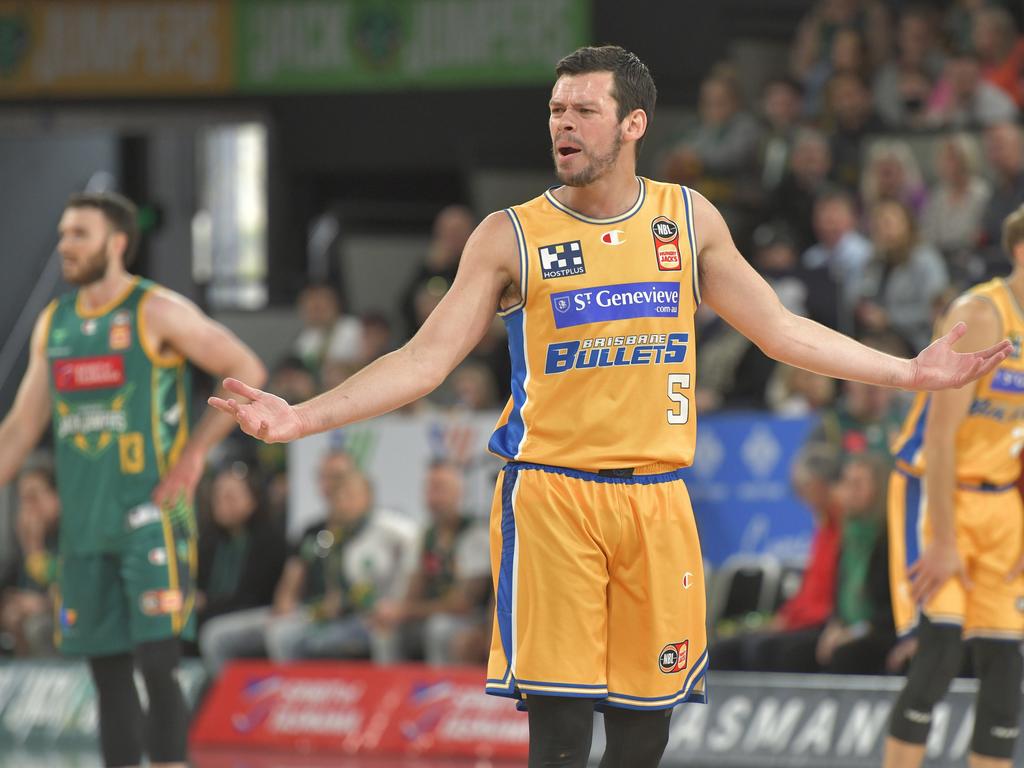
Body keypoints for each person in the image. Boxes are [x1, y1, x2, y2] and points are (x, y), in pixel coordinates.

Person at [210, 46, 1010, 768]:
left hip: (657, 502)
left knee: (644, 731)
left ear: (632, 124)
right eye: (556, 111)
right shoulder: (509, 235)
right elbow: (424, 359)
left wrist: (907, 371)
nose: (564, 123)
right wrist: (301, 417)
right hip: (554, 494)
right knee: (560, 738)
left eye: (583, 110)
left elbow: (780, 330)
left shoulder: (688, 219)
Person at [0, 191, 266, 768]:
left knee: (156, 663)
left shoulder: (156, 310)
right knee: (108, 673)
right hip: (84, 524)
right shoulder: (56, 323)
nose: (65, 245)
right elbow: (20, 429)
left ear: (117, 243)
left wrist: (196, 453)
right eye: (64, 233)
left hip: (152, 516)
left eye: (80, 235)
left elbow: (246, 369)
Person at [884, 204, 1024, 768]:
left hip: (1001, 502)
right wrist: (941, 540)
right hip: (934, 492)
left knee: (1006, 674)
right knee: (937, 657)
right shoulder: (983, 313)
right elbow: (938, 442)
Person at [373, 460, 491, 665]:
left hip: (473, 620)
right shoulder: (423, 537)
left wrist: (407, 611)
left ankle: (438, 692)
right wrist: (395, 611)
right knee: (386, 630)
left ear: (459, 493)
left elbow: (463, 604)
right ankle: (391, 692)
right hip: (432, 614)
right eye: (429, 488)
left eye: (441, 488)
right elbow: (412, 590)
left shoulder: (475, 535)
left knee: (439, 628)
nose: (434, 497)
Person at [1, 460, 61, 657]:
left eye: (34, 497)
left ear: (57, 496)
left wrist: (33, 547)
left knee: (38, 627)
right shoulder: (31, 534)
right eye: (23, 499)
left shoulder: (71, 535)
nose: (28, 508)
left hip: (71, 618)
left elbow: (73, 590)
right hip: (41, 614)